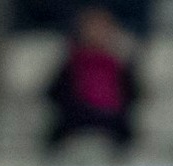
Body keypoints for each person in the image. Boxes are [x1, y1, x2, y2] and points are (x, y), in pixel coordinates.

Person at [46, 7, 139, 151]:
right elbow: (57, 96)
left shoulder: (120, 66)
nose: (97, 33)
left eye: (103, 28)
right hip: (74, 132)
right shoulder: (70, 64)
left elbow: (132, 97)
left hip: (111, 133)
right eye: (92, 28)